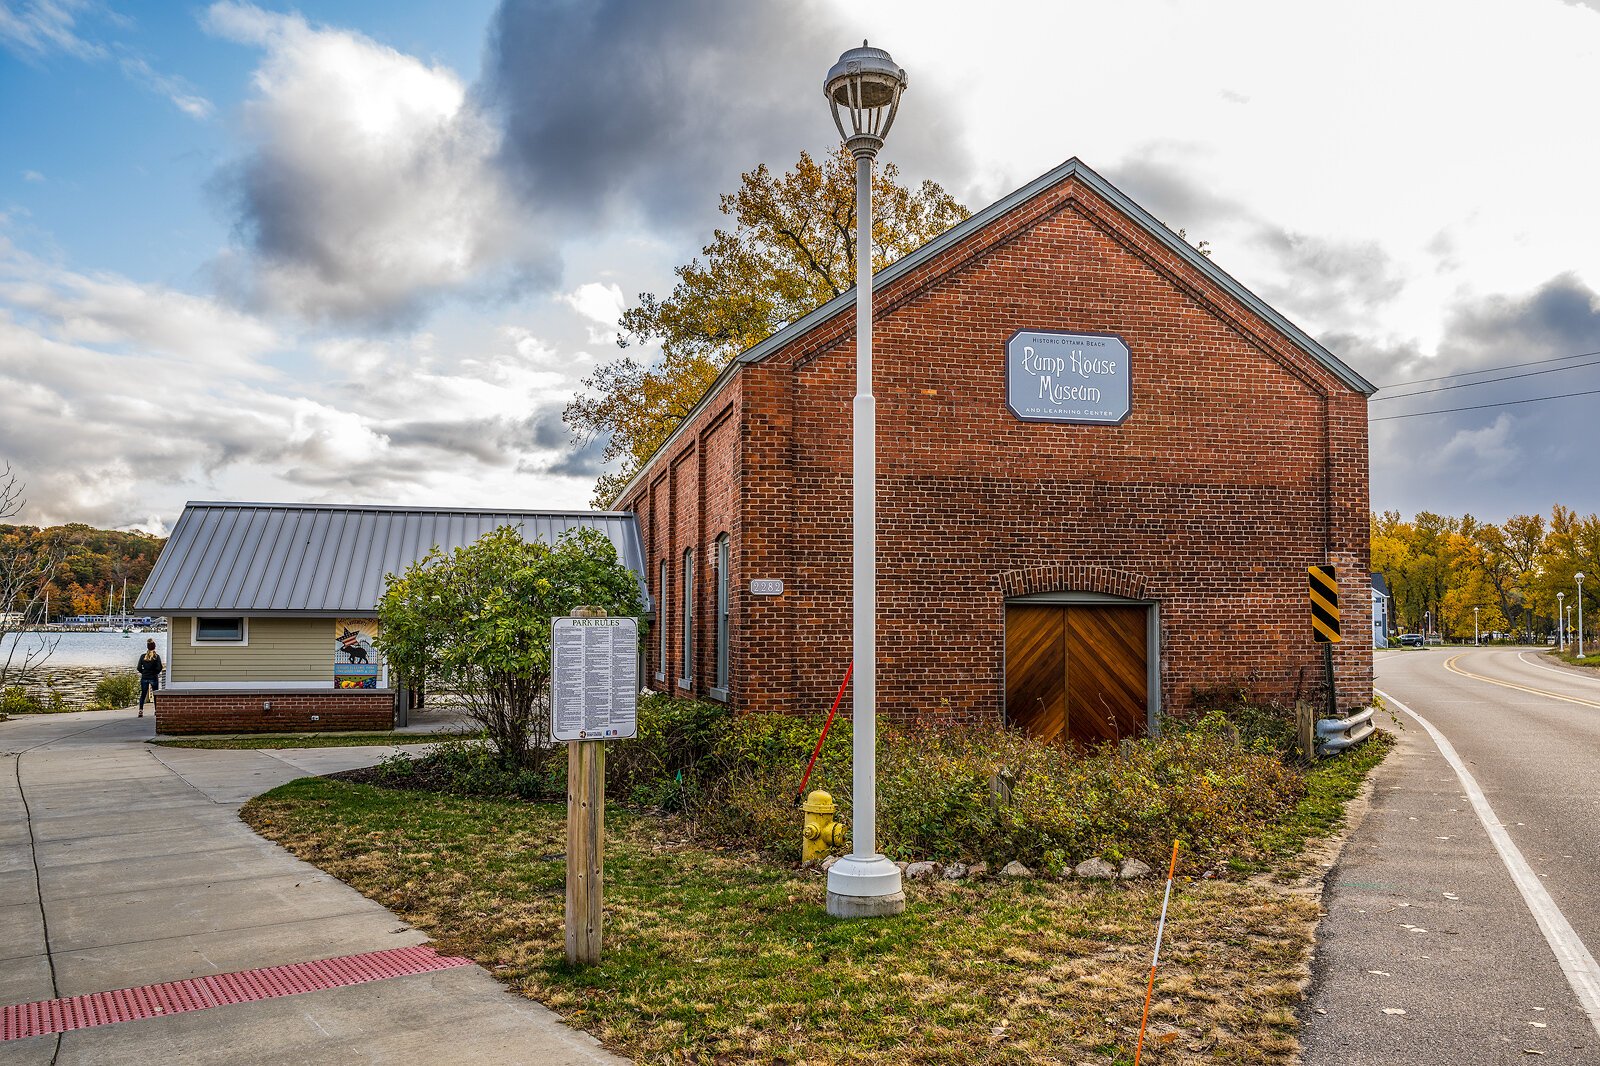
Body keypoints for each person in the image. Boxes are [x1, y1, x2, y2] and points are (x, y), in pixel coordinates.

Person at [136, 639, 163, 718]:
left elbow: (138, 668)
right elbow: (160, 667)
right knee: (155, 694)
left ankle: (140, 710)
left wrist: (144, 672)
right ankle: (156, 710)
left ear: (147, 647)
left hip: (144, 677)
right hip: (153, 677)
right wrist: (155, 673)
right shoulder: (156, 657)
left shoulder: (142, 656)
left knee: (143, 694)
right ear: (154, 647)